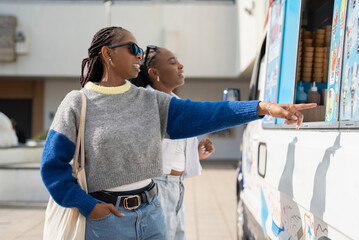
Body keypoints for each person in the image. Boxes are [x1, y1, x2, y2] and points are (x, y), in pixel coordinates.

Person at [40, 26, 316, 240]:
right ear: (108, 54)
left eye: (139, 50)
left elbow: (207, 113)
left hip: (152, 213)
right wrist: (88, 205)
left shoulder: (150, 101)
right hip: (106, 220)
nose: (139, 54)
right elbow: (52, 167)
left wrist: (263, 107)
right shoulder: (77, 103)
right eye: (132, 47)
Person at [130, 45, 215, 240]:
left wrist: (198, 152)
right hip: (156, 186)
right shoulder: (145, 102)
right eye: (173, 62)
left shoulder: (177, 102)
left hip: (177, 186)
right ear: (154, 72)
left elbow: (174, 151)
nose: (181, 66)